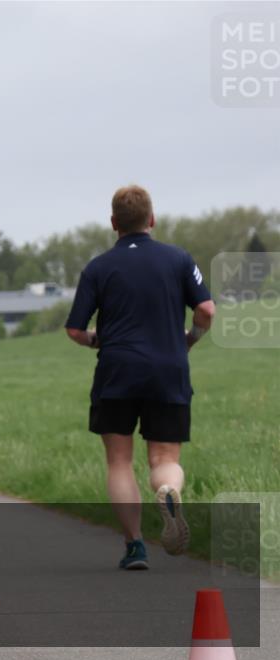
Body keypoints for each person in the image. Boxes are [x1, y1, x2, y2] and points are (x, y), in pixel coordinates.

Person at [65, 185, 214, 570]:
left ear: (114, 223)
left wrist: (99, 339)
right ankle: (168, 490)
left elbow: (75, 330)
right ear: (152, 219)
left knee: (119, 462)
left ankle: (135, 546)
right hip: (168, 368)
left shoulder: (98, 267)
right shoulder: (179, 259)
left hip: (117, 370)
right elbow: (207, 310)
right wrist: (190, 340)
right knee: (163, 458)